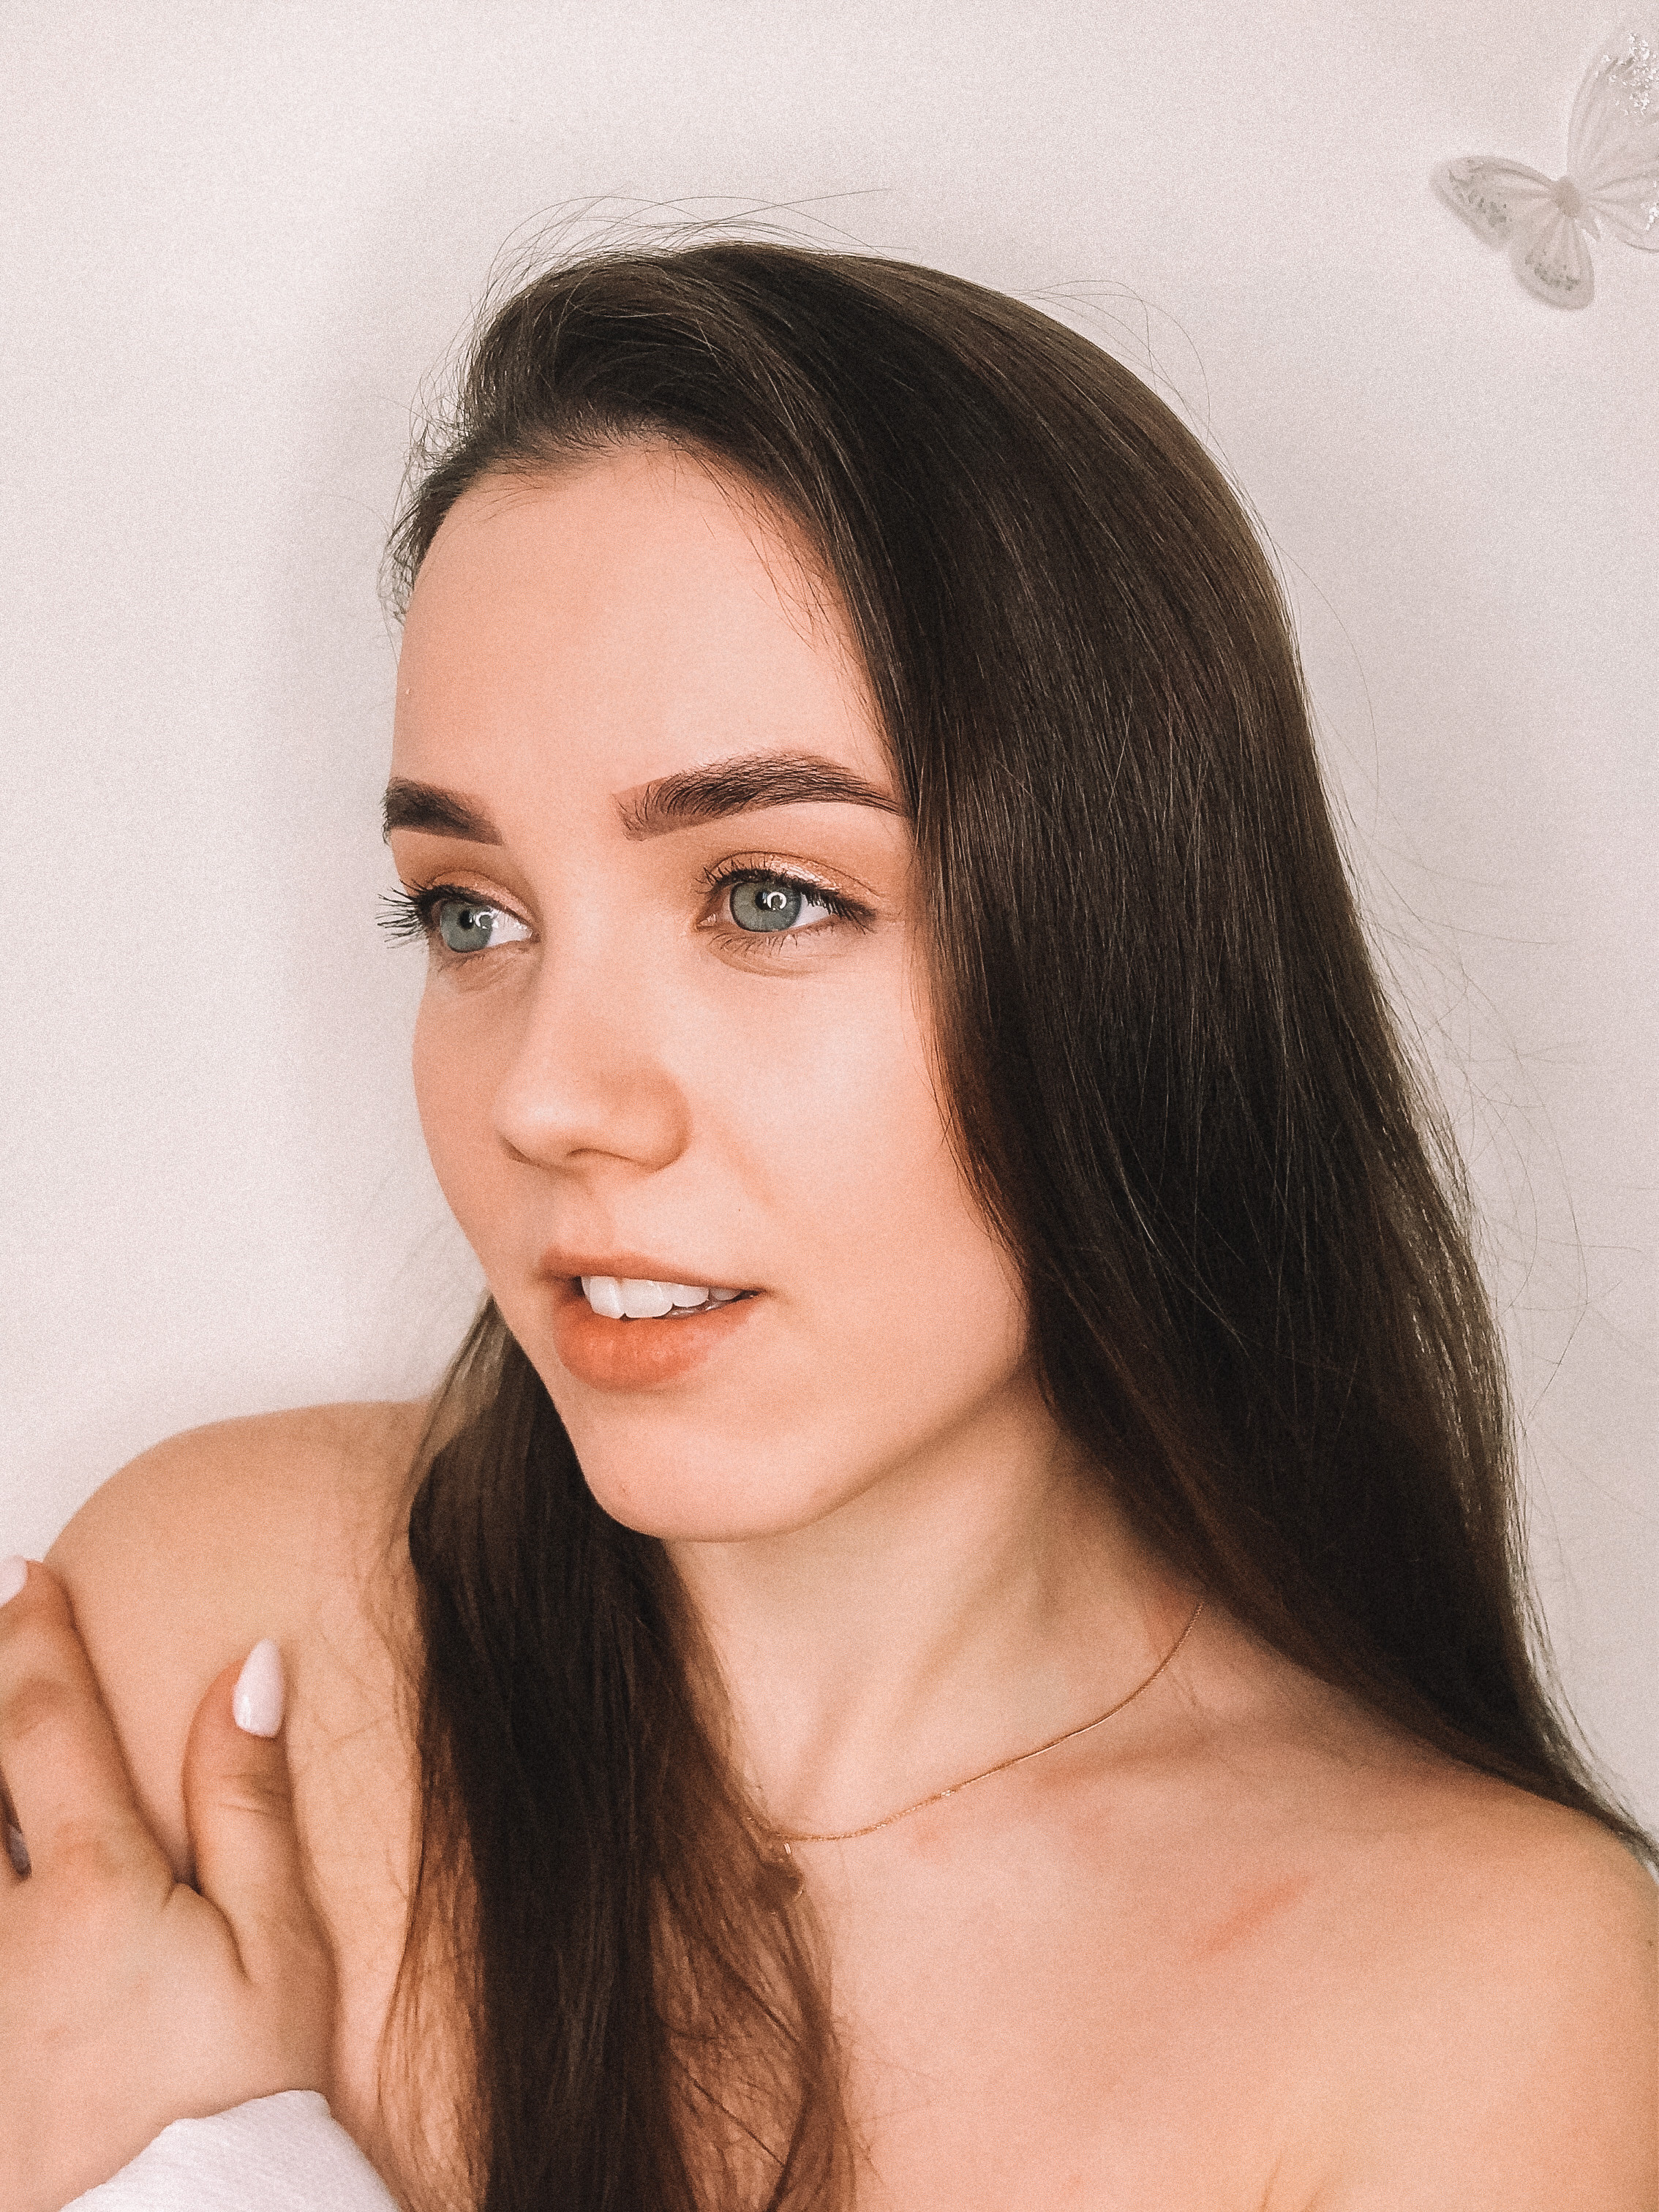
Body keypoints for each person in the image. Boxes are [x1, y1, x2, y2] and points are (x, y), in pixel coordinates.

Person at [1, 240, 1653, 2212]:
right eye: (472, 913)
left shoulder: (1477, 1998)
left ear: (1129, 953)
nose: (549, 1098)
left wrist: (202, 2177)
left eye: (767, 896)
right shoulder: (226, 1629)